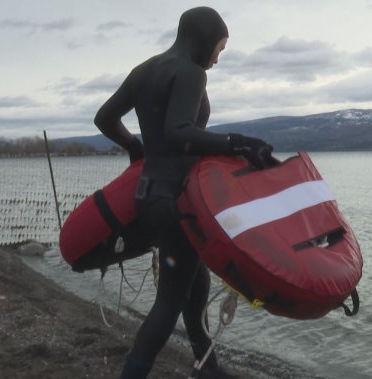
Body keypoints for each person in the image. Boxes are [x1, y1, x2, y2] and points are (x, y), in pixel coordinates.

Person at [93, 6, 273, 379]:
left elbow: (104, 118)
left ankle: (206, 364)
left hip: (149, 196)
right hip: (177, 201)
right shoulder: (190, 73)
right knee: (169, 303)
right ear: (203, 39)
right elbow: (179, 132)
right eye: (219, 49)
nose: (217, 59)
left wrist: (135, 147)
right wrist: (236, 143)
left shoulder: (145, 69)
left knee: (194, 279)